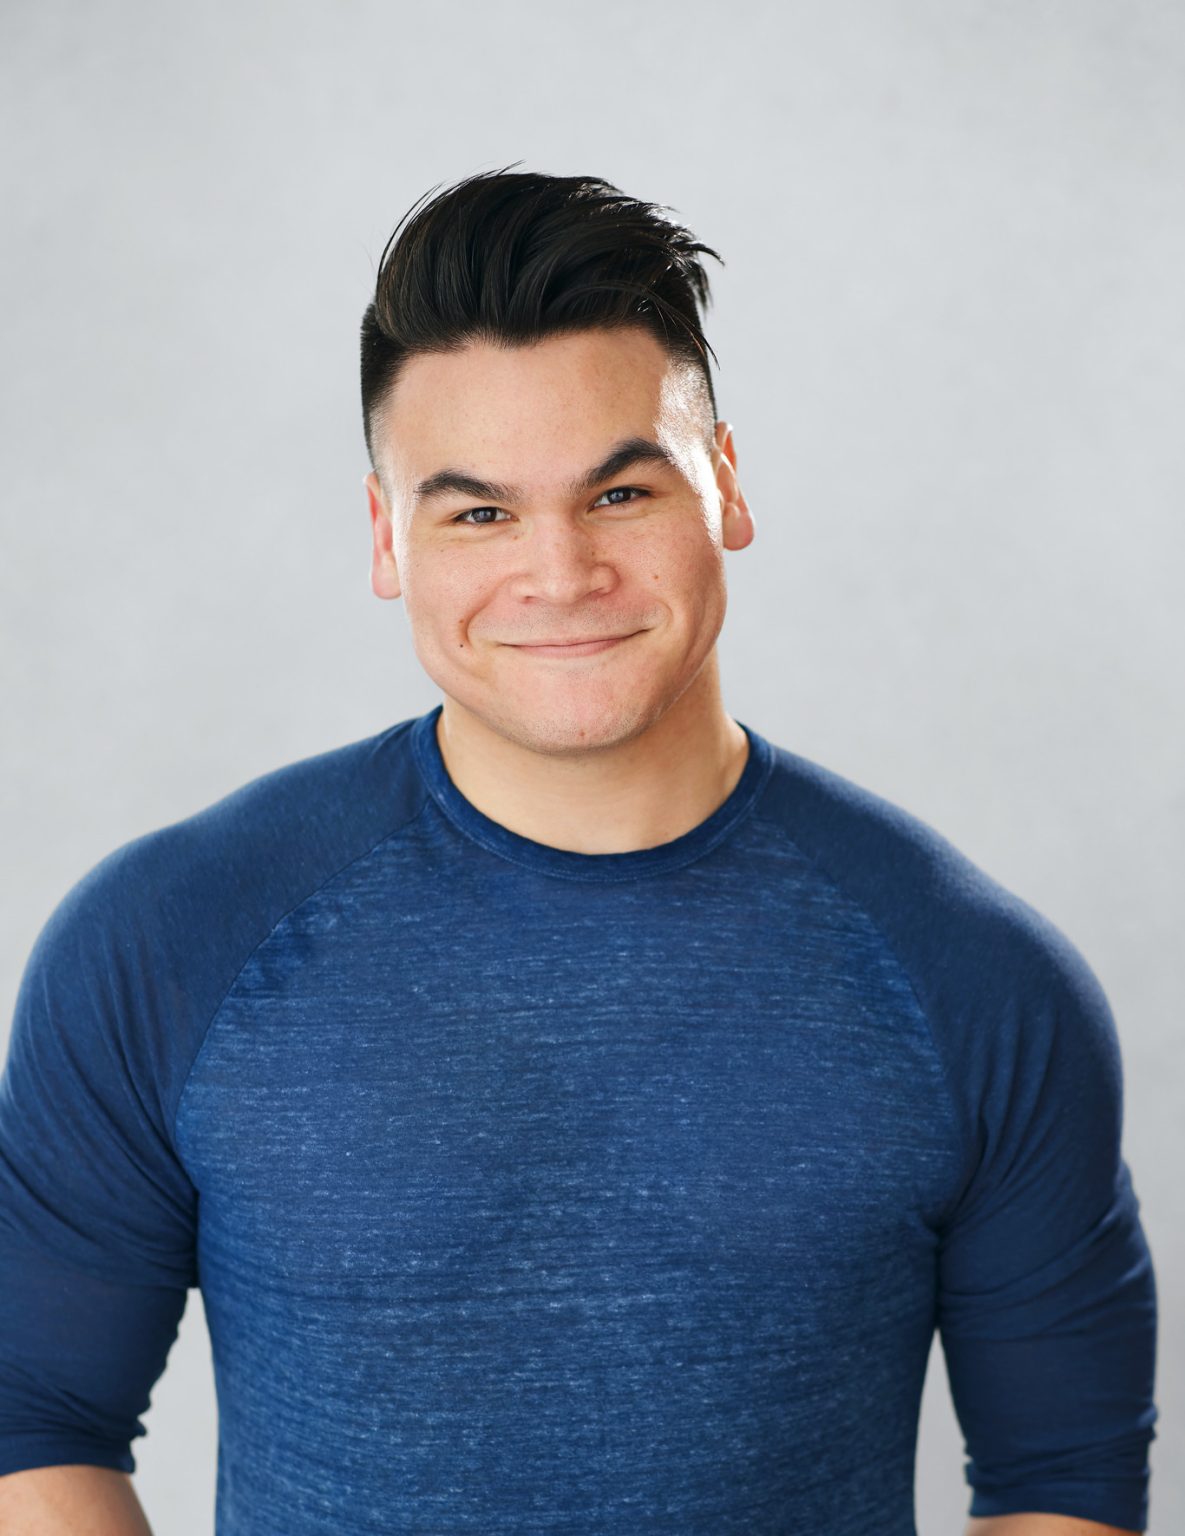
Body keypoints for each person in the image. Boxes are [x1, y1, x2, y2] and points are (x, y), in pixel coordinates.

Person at [0, 166, 1158, 1536]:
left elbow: (1061, 1480)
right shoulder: (167, 942)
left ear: (724, 487)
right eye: (478, 511)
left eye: (619, 493)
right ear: (386, 536)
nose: (559, 575)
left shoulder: (975, 979)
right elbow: (34, 1420)